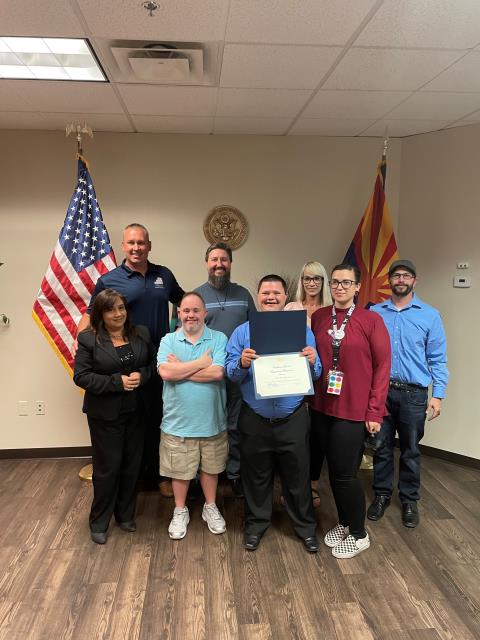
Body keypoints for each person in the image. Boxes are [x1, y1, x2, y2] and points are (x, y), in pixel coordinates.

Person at [77, 223, 184, 495]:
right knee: (129, 424)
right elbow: (90, 317)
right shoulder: (109, 280)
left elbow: (184, 302)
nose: (137, 248)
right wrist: (85, 348)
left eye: (141, 243)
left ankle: (160, 475)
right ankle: (130, 480)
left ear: (149, 245)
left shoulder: (164, 275)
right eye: (131, 243)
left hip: (158, 363)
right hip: (125, 363)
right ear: (123, 246)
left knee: (158, 419)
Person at [226, 275, 321, 553]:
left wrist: (313, 362)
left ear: (284, 296)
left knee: (298, 476)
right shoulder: (242, 332)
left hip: (293, 418)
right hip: (254, 418)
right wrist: (242, 363)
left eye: (276, 293)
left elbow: (317, 373)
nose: (270, 297)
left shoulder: (302, 331)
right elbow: (230, 373)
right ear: (258, 296)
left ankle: (305, 528)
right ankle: (255, 526)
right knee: (255, 476)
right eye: (265, 292)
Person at [310, 263, 391, 559]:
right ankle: (344, 522)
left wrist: (374, 411)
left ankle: (359, 534)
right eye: (335, 282)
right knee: (333, 472)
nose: (339, 287)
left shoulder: (372, 320)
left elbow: (383, 367)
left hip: (354, 409)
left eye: (346, 282)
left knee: (345, 475)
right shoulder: (320, 317)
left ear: (357, 287)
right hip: (321, 406)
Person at [368, 259, 449, 528]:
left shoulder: (430, 315)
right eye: (396, 275)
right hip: (381, 392)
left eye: (406, 275)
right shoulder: (375, 313)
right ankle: (381, 494)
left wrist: (438, 395)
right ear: (389, 281)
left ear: (415, 280)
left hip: (414, 395)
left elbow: (438, 359)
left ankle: (409, 500)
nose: (401, 279)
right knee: (381, 446)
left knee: (411, 449)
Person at [74, 289, 156, 544]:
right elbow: (81, 376)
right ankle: (99, 521)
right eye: (111, 309)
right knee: (107, 469)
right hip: (105, 415)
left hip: (137, 411)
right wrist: (116, 382)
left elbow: (154, 364)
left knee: (132, 466)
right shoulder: (89, 339)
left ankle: (125, 515)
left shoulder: (141, 333)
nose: (118, 314)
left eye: (121, 308)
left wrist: (143, 375)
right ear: (100, 313)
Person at [157, 292, 228, 540]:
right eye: (186, 310)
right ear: (179, 313)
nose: (190, 315)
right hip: (177, 422)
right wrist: (201, 363)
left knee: (211, 467)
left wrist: (181, 368)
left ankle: (210, 506)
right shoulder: (168, 340)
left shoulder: (218, 338)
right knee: (179, 470)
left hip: (212, 421)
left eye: (196, 310)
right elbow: (166, 373)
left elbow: (217, 373)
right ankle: (180, 510)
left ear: (205, 313)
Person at [195, 242, 256, 497]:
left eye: (224, 260)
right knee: (206, 426)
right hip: (207, 374)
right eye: (214, 259)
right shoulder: (196, 297)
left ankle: (234, 473)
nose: (219, 264)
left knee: (235, 425)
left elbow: (255, 331)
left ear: (230, 263)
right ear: (207, 263)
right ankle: (203, 475)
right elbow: (185, 334)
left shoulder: (244, 295)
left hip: (238, 374)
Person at [285, 261, 332, 508]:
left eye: (316, 278)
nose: (311, 283)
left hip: (323, 380)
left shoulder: (331, 311)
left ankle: (312, 483)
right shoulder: (291, 308)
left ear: (323, 281)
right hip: (293, 379)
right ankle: (292, 484)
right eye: (306, 278)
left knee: (317, 435)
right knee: (296, 435)